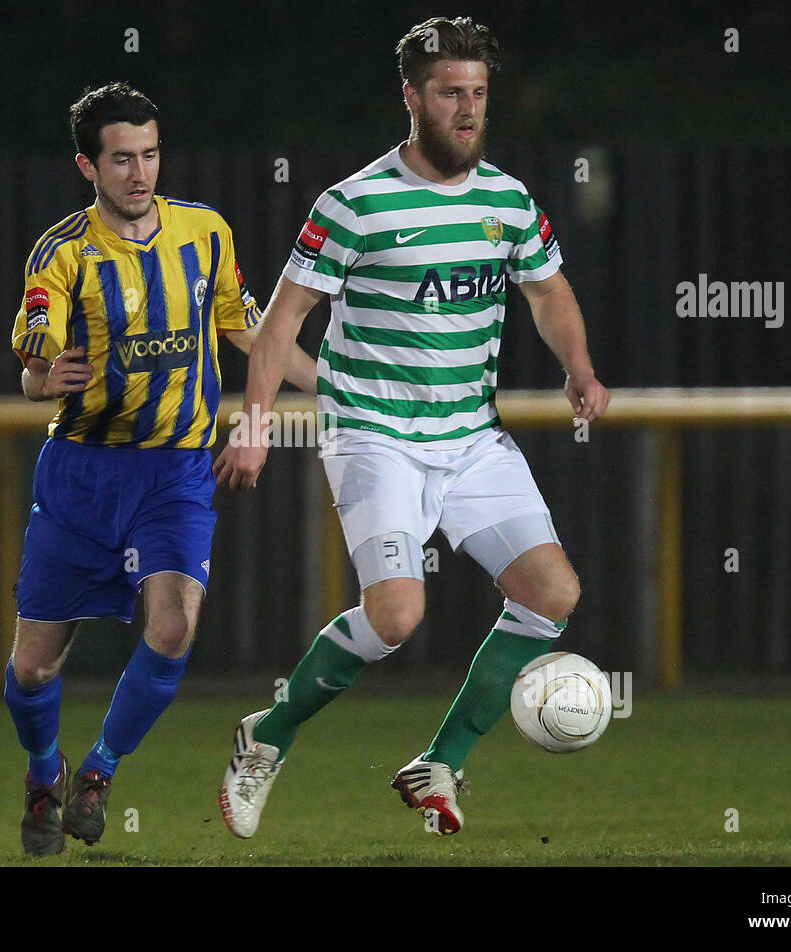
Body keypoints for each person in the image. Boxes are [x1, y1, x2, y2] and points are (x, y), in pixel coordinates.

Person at [214, 16, 610, 838]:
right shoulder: (354, 204)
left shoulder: (506, 198)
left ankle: (441, 760)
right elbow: (283, 322)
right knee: (396, 618)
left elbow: (548, 291)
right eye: (449, 93)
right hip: (374, 434)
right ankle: (267, 736)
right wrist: (255, 426)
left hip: (470, 439)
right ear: (412, 98)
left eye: (478, 93)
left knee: (552, 595)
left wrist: (579, 365)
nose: (466, 109)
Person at [6, 81, 316, 856]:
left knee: (174, 626)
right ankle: (46, 772)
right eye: (120, 159)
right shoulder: (63, 251)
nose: (139, 172)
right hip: (81, 474)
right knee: (32, 671)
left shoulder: (205, 233)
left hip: (174, 470)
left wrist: (338, 381)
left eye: (148, 154)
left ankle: (101, 773)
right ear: (88, 165)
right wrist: (46, 377)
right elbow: (31, 366)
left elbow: (245, 328)